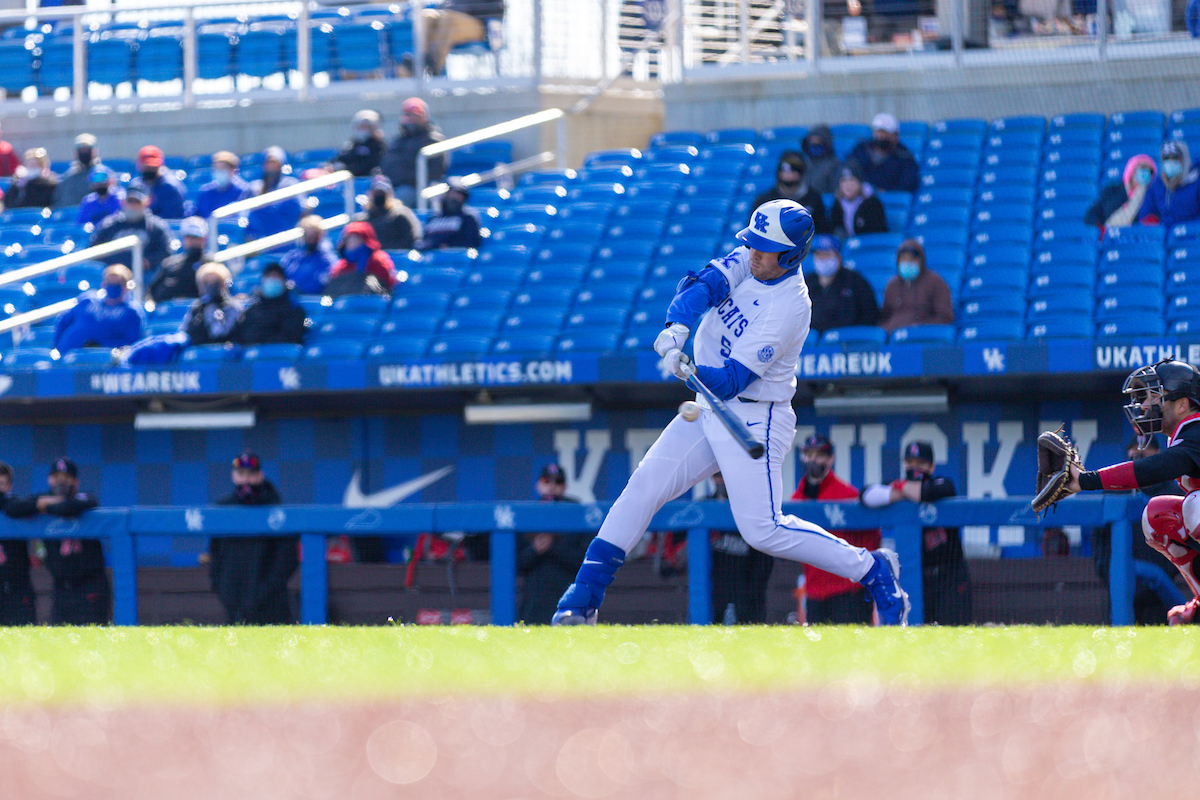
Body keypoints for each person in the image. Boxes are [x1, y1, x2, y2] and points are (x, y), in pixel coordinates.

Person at [551, 199, 910, 626]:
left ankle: (872, 569)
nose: (754, 253)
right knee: (645, 484)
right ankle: (584, 596)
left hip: (756, 415)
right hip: (708, 407)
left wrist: (690, 368)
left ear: (792, 255)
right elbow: (704, 285)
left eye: (765, 248)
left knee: (763, 530)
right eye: (753, 244)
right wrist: (677, 327)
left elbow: (733, 380)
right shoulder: (753, 255)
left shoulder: (791, 306)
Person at [1061, 358, 1200, 624]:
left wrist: (1084, 480)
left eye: (1154, 397)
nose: (1146, 405)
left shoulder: (1196, 431)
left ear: (1183, 404)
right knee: (1157, 516)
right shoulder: (1185, 433)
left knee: (1195, 506)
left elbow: (1153, 470)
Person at [860, 441, 972, 625]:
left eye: (920, 462)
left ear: (931, 466)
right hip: (919, 578)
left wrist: (899, 490)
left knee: (955, 634)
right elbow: (865, 494)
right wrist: (905, 491)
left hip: (949, 575)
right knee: (920, 635)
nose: (914, 467)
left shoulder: (943, 483)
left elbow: (928, 492)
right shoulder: (896, 486)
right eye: (910, 462)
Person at [1091, 434, 1185, 625]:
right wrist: (1109, 574)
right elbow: (1099, 541)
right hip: (1121, 586)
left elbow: (1184, 540)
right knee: (1120, 645)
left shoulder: (1173, 493)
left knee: (1159, 646)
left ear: (1158, 454)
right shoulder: (1114, 490)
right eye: (1133, 455)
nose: (1137, 459)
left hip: (1160, 590)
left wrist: (1166, 573)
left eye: (1143, 454)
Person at [4, 459, 109, 625]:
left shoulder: (84, 497)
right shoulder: (41, 498)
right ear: (49, 480)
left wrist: (45, 506)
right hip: (61, 588)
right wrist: (44, 502)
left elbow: (68, 508)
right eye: (56, 476)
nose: (60, 481)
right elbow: (13, 508)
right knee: (59, 643)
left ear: (75, 481)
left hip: (90, 586)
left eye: (66, 477)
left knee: (92, 643)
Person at [790, 434, 881, 624]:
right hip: (814, 591)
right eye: (808, 454)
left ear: (830, 459)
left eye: (819, 455)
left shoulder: (847, 495)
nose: (813, 460)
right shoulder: (797, 500)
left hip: (848, 592)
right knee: (819, 651)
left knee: (853, 651)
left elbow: (873, 538)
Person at [209, 452, 297, 625]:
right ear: (234, 476)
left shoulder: (275, 508)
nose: (246, 480)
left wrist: (260, 595)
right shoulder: (222, 507)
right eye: (241, 474)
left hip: (271, 607)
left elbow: (287, 560)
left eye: (250, 474)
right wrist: (222, 590)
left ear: (260, 476)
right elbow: (215, 554)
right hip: (234, 606)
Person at [517, 464, 587, 625]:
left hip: (568, 598)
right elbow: (517, 563)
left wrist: (553, 547)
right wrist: (535, 550)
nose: (552, 486)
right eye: (546, 481)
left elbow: (583, 561)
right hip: (535, 600)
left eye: (558, 482)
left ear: (565, 487)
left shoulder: (576, 513)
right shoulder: (528, 515)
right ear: (538, 485)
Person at [708, 472, 776, 624]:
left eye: (727, 474)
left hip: (746, 599)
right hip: (712, 598)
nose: (722, 480)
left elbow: (765, 563)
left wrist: (749, 596)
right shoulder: (703, 507)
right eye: (718, 475)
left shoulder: (753, 510)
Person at [52, 265, 144, 354]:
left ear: (126, 286)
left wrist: (101, 345)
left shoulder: (132, 312)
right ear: (103, 284)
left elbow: (132, 343)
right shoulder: (87, 300)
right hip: (67, 356)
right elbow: (63, 321)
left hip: (103, 362)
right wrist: (56, 346)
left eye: (117, 284)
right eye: (109, 283)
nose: (112, 287)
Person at [804, 234, 880, 335]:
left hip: (848, 342)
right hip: (814, 345)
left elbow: (871, 314)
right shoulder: (807, 282)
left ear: (838, 257)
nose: (823, 259)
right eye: (819, 255)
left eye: (827, 254)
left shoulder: (855, 281)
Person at [88, 186, 173, 273]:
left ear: (146, 203)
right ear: (123, 202)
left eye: (137, 202)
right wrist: (112, 266)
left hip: (145, 273)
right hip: (113, 273)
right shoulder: (109, 225)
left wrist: (149, 261)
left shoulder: (155, 226)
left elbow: (166, 250)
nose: (133, 205)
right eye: (130, 201)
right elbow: (93, 249)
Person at [379, 97, 446, 207]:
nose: (411, 119)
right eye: (408, 115)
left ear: (424, 117)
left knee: (399, 198)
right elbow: (385, 166)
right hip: (394, 187)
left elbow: (436, 171)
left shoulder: (433, 140)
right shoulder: (396, 141)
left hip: (417, 188)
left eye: (416, 115)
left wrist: (405, 179)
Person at [878, 238, 954, 333]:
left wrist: (919, 328)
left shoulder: (935, 282)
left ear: (921, 261)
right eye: (904, 258)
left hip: (923, 338)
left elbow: (945, 317)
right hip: (894, 340)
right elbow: (884, 317)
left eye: (912, 259)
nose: (908, 262)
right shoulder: (892, 285)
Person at [752, 151, 831, 235]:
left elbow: (824, 231)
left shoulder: (814, 198)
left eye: (794, 169)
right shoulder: (764, 201)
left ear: (801, 173)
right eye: (785, 169)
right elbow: (754, 232)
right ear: (779, 172)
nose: (789, 173)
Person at [231, 263, 307, 346]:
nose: (272, 280)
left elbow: (291, 336)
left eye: (276, 277)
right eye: (269, 277)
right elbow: (239, 334)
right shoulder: (252, 309)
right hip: (251, 356)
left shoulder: (293, 309)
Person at [421, 0, 504, 75]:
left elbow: (497, 8)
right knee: (426, 16)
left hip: (476, 25)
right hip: (447, 20)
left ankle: (433, 64)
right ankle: (418, 64)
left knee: (449, 18)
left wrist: (464, 8)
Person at [845, 113, 919, 193]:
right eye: (878, 132)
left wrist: (885, 191)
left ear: (895, 135)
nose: (881, 136)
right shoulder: (861, 150)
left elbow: (907, 185)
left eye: (885, 133)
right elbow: (848, 171)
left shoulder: (904, 157)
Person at [0, 463, 35, 625]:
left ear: (9, 486)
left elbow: (17, 506)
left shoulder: (17, 505)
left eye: (1, 484)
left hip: (16, 589)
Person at [1084, 154, 1156, 234]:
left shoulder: (1151, 196)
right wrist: (1100, 230)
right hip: (1107, 238)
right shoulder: (1111, 191)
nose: (1145, 172)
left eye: (1149, 170)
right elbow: (1092, 214)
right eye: (1142, 167)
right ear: (1132, 168)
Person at [324, 221, 398, 297]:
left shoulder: (378, 261)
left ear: (365, 240)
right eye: (349, 239)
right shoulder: (341, 266)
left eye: (356, 238)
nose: (352, 242)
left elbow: (386, 287)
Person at [1138, 140, 1200, 228]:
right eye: (1166, 159)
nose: (1170, 163)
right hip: (1164, 237)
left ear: (1184, 159)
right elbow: (1145, 214)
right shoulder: (1157, 185)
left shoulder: (1196, 182)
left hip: (1190, 236)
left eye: (1175, 158)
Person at [246, 146, 303, 240]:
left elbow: (300, 209)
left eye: (275, 163)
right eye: (268, 162)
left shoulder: (290, 184)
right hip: (260, 237)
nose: (271, 167)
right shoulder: (255, 186)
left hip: (285, 234)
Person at [149, 216, 209, 304]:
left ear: (204, 239)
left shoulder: (211, 265)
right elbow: (151, 290)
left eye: (196, 237)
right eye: (188, 237)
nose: (191, 241)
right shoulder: (170, 264)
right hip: (168, 314)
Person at [182, 263, 244, 346]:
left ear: (224, 284)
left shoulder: (232, 307)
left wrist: (211, 307)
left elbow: (218, 333)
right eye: (205, 282)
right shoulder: (196, 308)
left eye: (216, 282)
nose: (210, 286)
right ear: (200, 286)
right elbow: (184, 331)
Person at [356, 173, 421, 251]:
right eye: (376, 193)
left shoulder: (400, 215)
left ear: (390, 195)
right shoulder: (363, 220)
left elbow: (411, 240)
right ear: (370, 195)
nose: (379, 197)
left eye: (382, 194)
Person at [414, 179, 480, 251]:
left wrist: (448, 246)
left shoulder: (467, 218)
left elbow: (472, 243)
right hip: (429, 257)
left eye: (459, 195)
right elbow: (424, 240)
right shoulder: (433, 218)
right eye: (452, 193)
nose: (455, 197)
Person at [280, 215, 337, 295]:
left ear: (321, 236)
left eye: (314, 236)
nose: (310, 239)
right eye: (307, 235)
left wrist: (296, 289)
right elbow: (280, 277)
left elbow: (322, 283)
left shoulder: (327, 260)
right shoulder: (291, 257)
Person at [829, 162, 888, 239]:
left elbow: (877, 235)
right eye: (844, 181)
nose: (848, 185)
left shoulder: (872, 203)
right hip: (847, 248)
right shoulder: (837, 204)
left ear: (860, 183)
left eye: (852, 180)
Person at [128, 145, 186, 220]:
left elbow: (171, 219)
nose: (150, 170)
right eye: (147, 166)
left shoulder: (170, 187)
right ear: (139, 166)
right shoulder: (135, 186)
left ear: (161, 165)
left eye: (153, 167)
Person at [189, 151, 252, 220]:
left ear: (233, 170)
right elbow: (196, 215)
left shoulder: (243, 191)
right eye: (216, 168)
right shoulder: (205, 192)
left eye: (223, 168)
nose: (219, 172)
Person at [328, 110, 387, 177]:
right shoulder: (349, 146)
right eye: (361, 126)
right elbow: (338, 160)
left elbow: (371, 164)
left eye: (367, 127)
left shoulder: (378, 147)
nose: (363, 129)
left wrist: (347, 168)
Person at [52, 133, 102, 208]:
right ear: (76, 153)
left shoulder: (101, 174)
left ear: (94, 152)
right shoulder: (68, 177)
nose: (84, 153)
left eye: (86, 150)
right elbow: (57, 201)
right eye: (81, 150)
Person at [801, 124, 842, 195]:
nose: (814, 143)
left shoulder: (835, 164)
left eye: (818, 141)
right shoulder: (802, 161)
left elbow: (835, 190)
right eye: (811, 141)